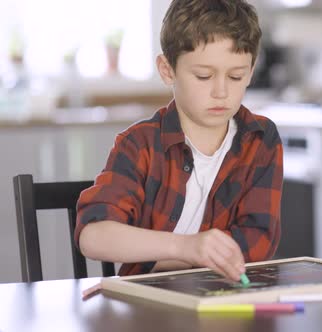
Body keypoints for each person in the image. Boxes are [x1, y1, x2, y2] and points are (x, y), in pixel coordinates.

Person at [74, 0, 283, 282]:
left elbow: (258, 242)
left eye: (236, 76)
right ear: (167, 70)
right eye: (203, 76)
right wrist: (186, 247)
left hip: (224, 301)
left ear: (251, 70)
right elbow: (93, 235)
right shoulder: (139, 145)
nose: (221, 91)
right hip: (148, 309)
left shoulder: (260, 139)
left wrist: (175, 259)